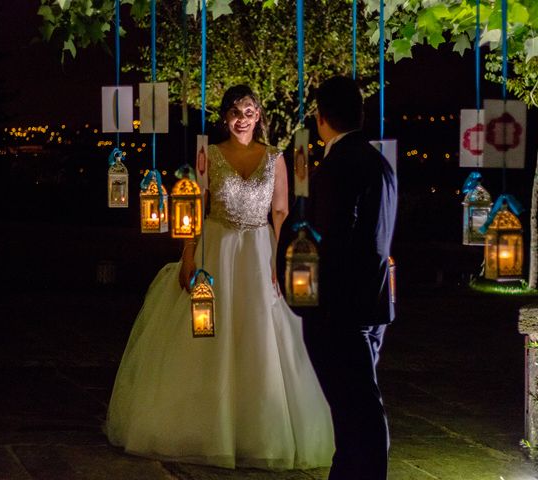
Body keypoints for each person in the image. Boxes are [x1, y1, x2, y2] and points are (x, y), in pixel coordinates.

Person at [105, 85, 334, 470]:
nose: (242, 118)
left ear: (259, 115)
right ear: (225, 117)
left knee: (258, 334)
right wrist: (189, 254)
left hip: (259, 250)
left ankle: (257, 429)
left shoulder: (276, 157)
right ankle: (204, 428)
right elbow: (195, 205)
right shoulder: (209, 155)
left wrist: (280, 264)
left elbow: (280, 214)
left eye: (248, 110)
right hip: (217, 246)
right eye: (234, 111)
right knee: (209, 332)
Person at [304, 76, 397, 480]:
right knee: (357, 412)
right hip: (372, 303)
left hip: (340, 312)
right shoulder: (379, 163)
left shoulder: (337, 166)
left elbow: (332, 239)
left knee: (356, 414)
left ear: (321, 119)